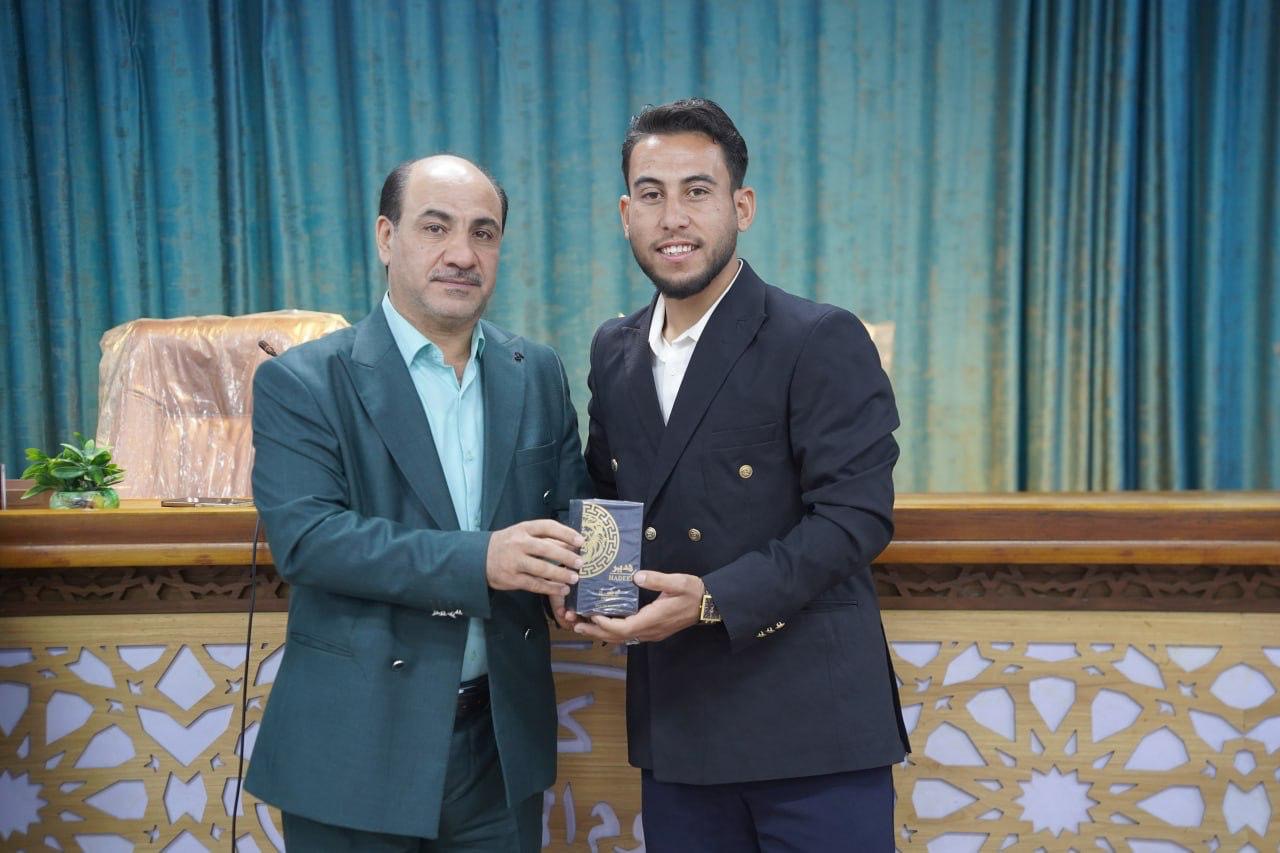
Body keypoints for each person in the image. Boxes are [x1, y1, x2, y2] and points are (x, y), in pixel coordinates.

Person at [568, 98, 910, 851]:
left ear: (741, 206)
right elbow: (608, 497)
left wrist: (712, 600)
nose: (674, 218)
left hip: (812, 732)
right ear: (626, 214)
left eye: (698, 191)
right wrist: (590, 590)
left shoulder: (816, 337)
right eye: (651, 194)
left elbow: (855, 517)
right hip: (679, 726)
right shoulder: (613, 350)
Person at [245, 154, 591, 851]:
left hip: (499, 749)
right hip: (357, 749)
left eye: (483, 233)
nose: (462, 253)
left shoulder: (537, 371)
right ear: (386, 237)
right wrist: (483, 559)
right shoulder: (305, 381)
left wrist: (583, 579)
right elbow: (310, 540)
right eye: (436, 227)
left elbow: (569, 512)